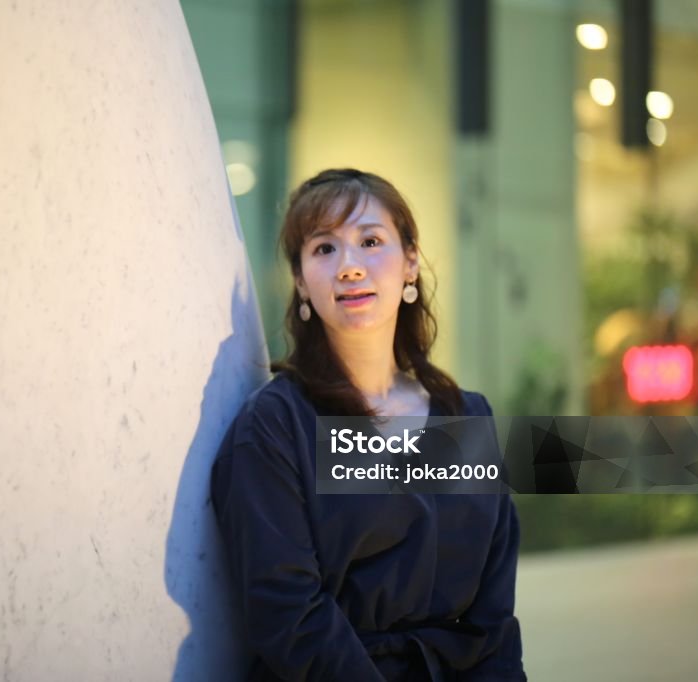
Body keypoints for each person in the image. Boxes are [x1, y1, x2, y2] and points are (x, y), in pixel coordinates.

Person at [210, 169, 526, 681]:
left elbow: (494, 619)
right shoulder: (278, 425)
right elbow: (288, 614)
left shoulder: (466, 417)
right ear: (300, 282)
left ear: (409, 262)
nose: (349, 267)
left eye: (370, 241)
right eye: (324, 249)